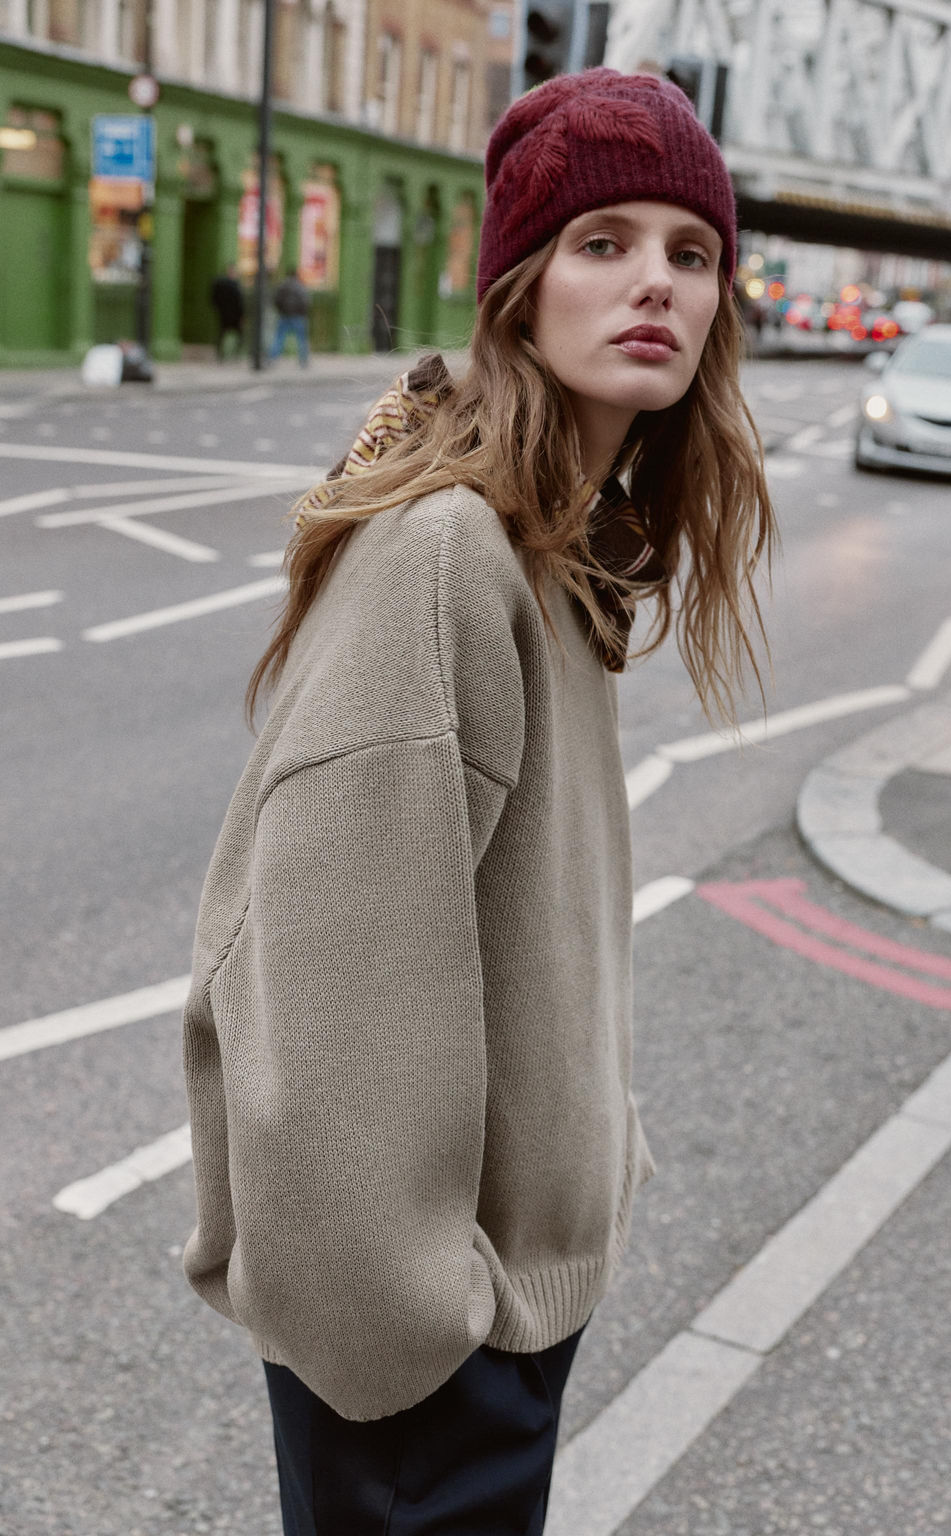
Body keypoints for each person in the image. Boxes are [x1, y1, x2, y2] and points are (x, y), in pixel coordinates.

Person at [182, 67, 776, 1535]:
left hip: (498, 1313)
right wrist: (413, 1330)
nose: (655, 282)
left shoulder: (563, 551)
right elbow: (322, 992)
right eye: (602, 242)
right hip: (425, 1364)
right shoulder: (448, 554)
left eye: (689, 253)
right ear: (518, 289)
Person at [269, 266, 311, 366]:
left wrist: (281, 310)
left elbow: (276, 300)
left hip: (284, 315)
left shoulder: (282, 286)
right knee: (301, 338)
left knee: (279, 337)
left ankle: (273, 358)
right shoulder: (300, 286)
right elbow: (306, 301)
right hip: (298, 316)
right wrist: (302, 311)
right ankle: (303, 360)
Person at [209, 264, 245, 360]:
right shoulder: (231, 285)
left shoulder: (221, 283)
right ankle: (230, 354)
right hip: (231, 314)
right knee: (232, 334)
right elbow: (239, 301)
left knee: (224, 333)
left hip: (226, 314)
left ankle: (225, 354)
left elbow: (214, 298)